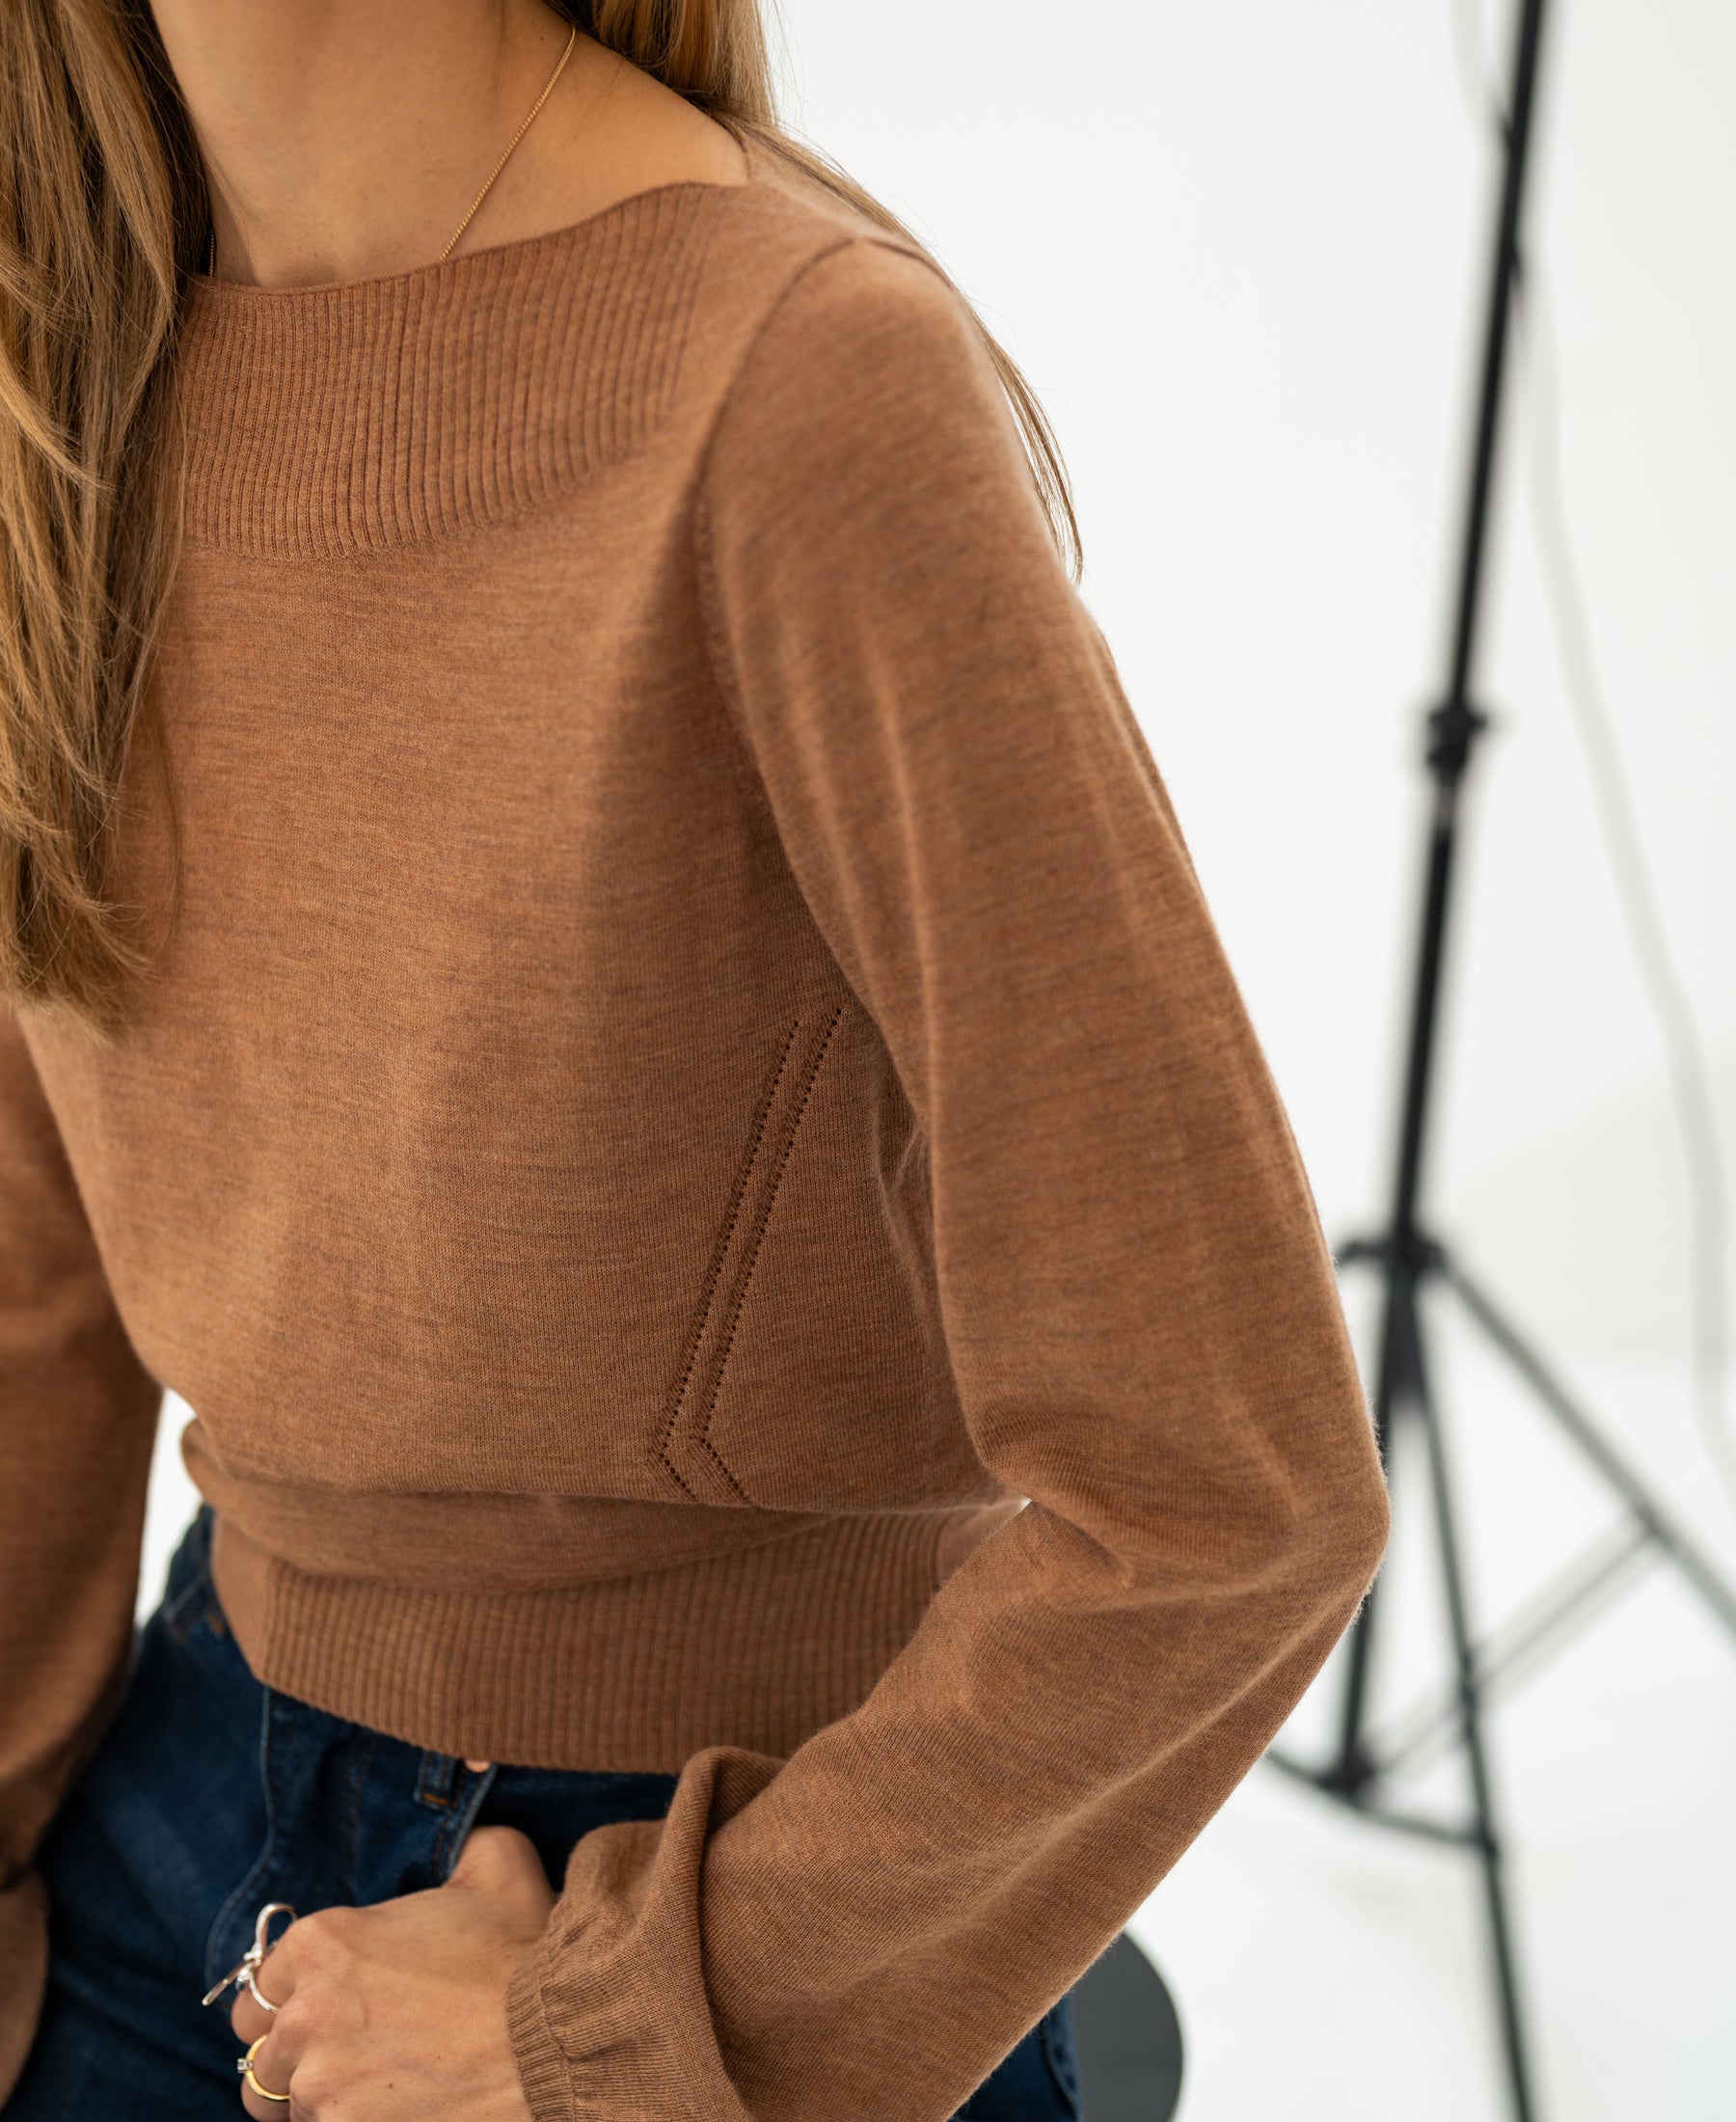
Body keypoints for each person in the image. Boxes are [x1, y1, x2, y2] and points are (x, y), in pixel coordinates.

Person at [0, 3, 1391, 2117]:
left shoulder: (799, 384)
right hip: (169, 1793)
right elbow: (39, 1289)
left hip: (723, 1880)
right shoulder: (53, 372)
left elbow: (1230, 1489)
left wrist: (624, 2011)